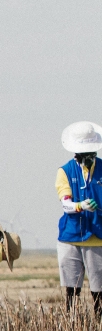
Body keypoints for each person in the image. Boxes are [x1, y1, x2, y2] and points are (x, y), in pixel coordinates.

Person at [55, 121, 102, 315]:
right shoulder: (64, 171)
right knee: (71, 291)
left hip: (97, 238)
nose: (89, 157)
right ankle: (72, 326)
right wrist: (79, 206)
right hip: (70, 237)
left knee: (99, 291)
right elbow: (65, 203)